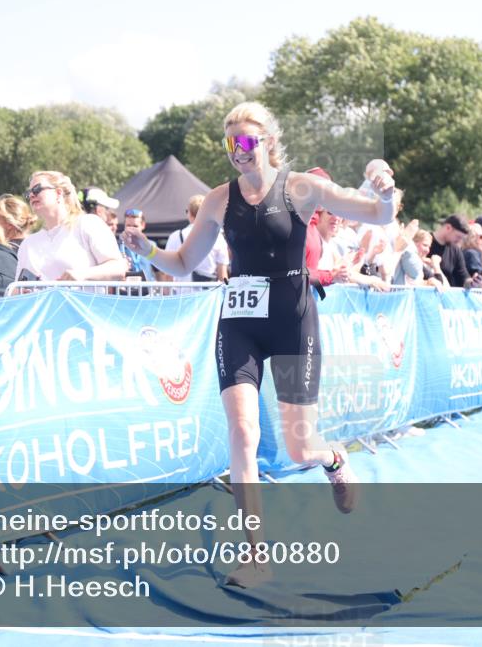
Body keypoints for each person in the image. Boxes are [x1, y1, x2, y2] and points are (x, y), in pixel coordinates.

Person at [121, 101, 397, 588]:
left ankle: (332, 458)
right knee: (243, 433)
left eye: (246, 142)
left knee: (298, 447)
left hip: (292, 324)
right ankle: (256, 556)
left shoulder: (302, 188)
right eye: (229, 144)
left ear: (268, 141)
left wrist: (386, 193)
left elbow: (376, 214)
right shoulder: (217, 200)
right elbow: (184, 262)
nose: (237, 153)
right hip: (241, 325)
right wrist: (147, 250)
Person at [16, 171, 129, 282]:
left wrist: (82, 274)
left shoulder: (88, 224)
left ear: (58, 193)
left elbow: (119, 267)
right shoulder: (28, 243)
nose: (31, 195)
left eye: (37, 189)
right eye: (28, 192)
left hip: (85, 301)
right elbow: (16, 291)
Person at [164, 195, 231, 283]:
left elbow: (168, 273)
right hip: (208, 293)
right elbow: (222, 274)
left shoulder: (175, 236)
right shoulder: (218, 237)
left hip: (181, 293)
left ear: (190, 213)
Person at [429, 215, 471, 288]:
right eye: (458, 237)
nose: (459, 241)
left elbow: (463, 276)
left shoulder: (455, 250)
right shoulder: (426, 242)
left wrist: (473, 282)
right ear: (448, 228)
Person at [120, 209, 157, 282]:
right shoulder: (119, 246)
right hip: (126, 290)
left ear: (143, 225)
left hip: (148, 290)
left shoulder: (151, 245)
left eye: (135, 226)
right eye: (128, 225)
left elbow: (159, 272)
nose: (131, 229)